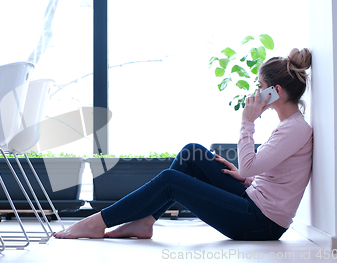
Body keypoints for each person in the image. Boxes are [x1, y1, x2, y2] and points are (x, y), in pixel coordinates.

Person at [54, 48, 313, 241]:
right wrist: (244, 179)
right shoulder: (290, 126)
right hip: (254, 201)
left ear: (276, 91)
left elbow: (249, 167)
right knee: (192, 152)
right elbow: (267, 176)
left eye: (261, 87)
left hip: (261, 222)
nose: (257, 93)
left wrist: (247, 122)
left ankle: (97, 222)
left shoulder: (294, 129)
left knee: (170, 181)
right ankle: (145, 221)